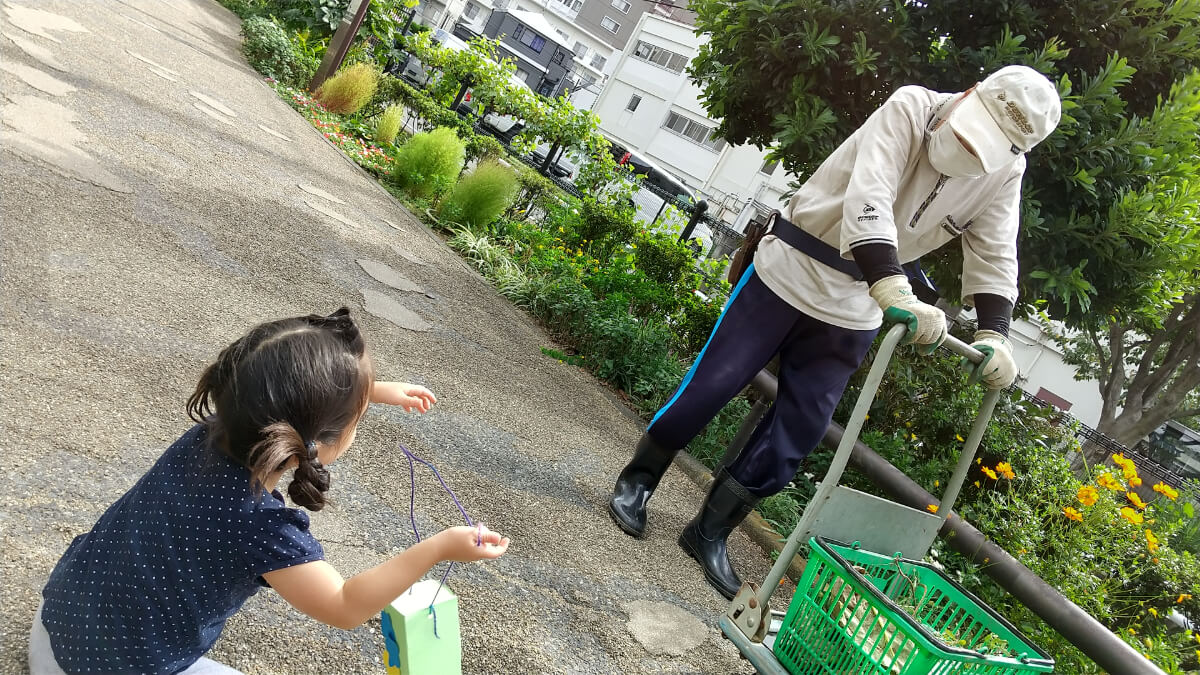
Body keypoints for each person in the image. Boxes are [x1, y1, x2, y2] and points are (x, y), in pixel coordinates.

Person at [609, 65, 1061, 599]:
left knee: (796, 434)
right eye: (968, 131)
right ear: (967, 96)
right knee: (711, 386)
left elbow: (993, 250)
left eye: (984, 149)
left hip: (856, 307)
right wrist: (894, 288)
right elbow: (868, 194)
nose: (967, 150)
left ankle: (710, 529)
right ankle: (638, 481)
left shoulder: (1006, 171)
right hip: (791, 268)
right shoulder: (912, 106)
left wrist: (996, 333)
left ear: (1011, 151)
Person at [29, 308, 510, 674]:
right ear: (317, 440)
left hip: (54, 627)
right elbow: (343, 604)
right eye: (356, 416)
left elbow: (283, 394)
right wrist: (439, 547)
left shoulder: (215, 431)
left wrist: (372, 390)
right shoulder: (259, 524)